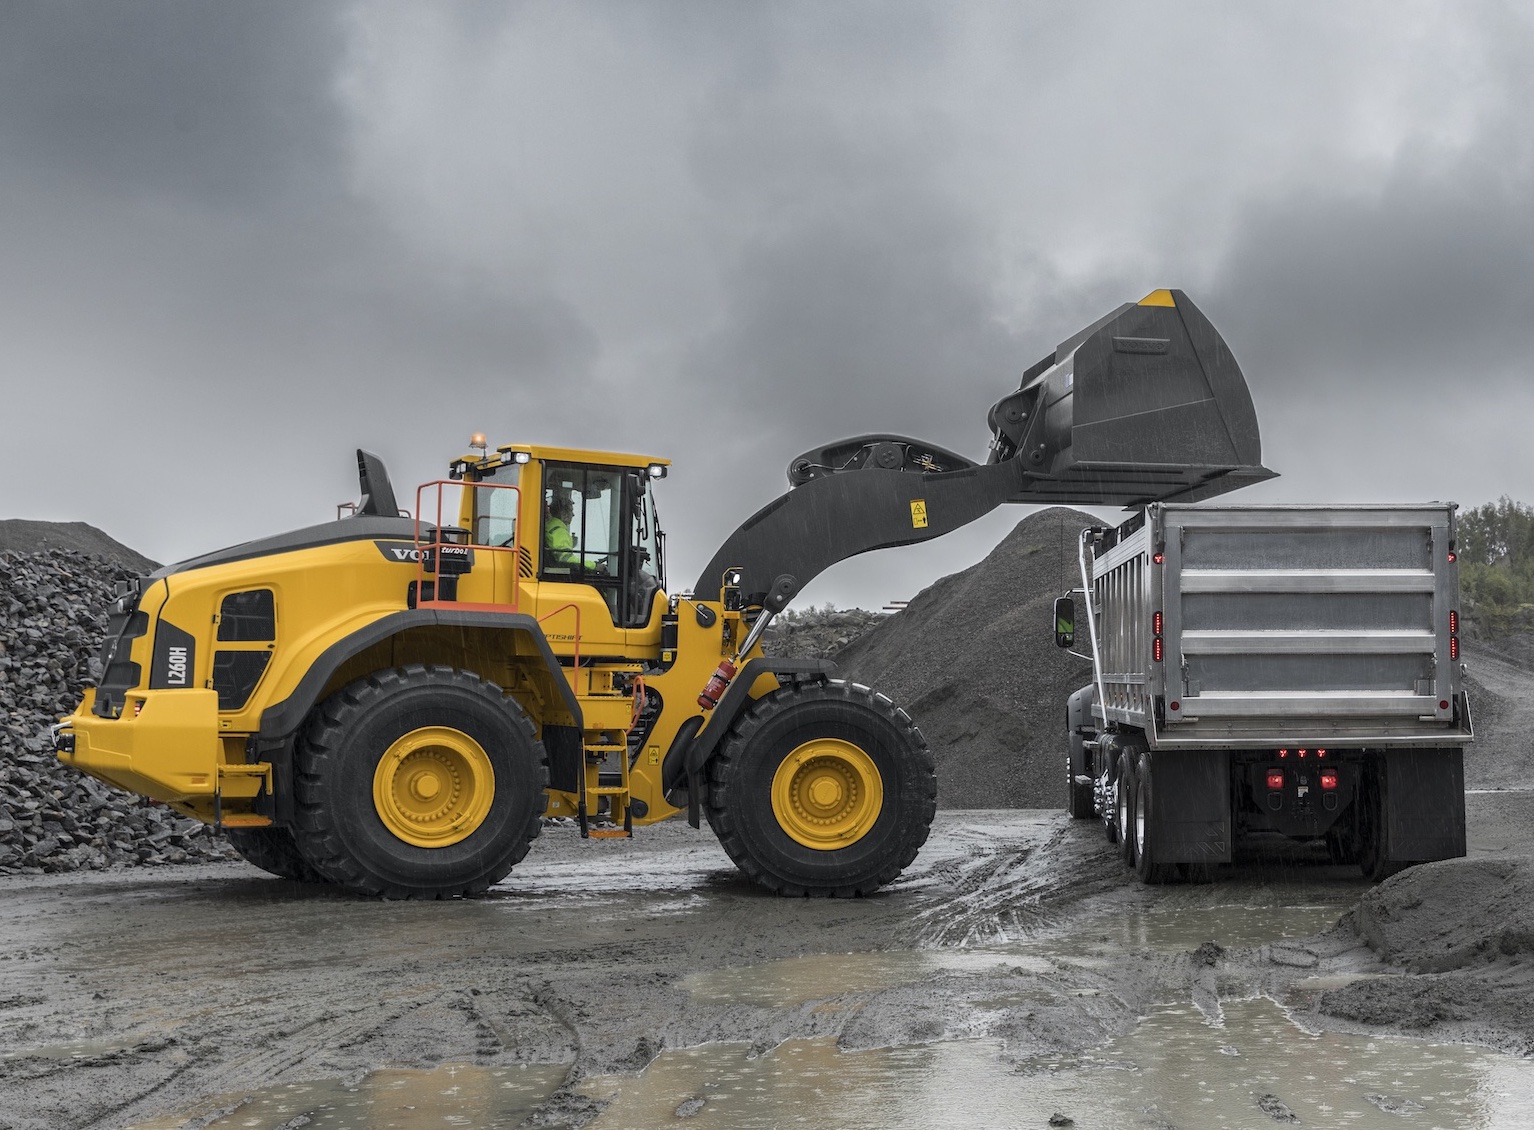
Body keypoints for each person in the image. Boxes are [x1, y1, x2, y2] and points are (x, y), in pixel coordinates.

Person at [544, 492, 580, 567]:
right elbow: (567, 560)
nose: (573, 514)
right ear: (563, 513)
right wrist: (593, 565)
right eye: (571, 510)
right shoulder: (560, 532)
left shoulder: (550, 528)